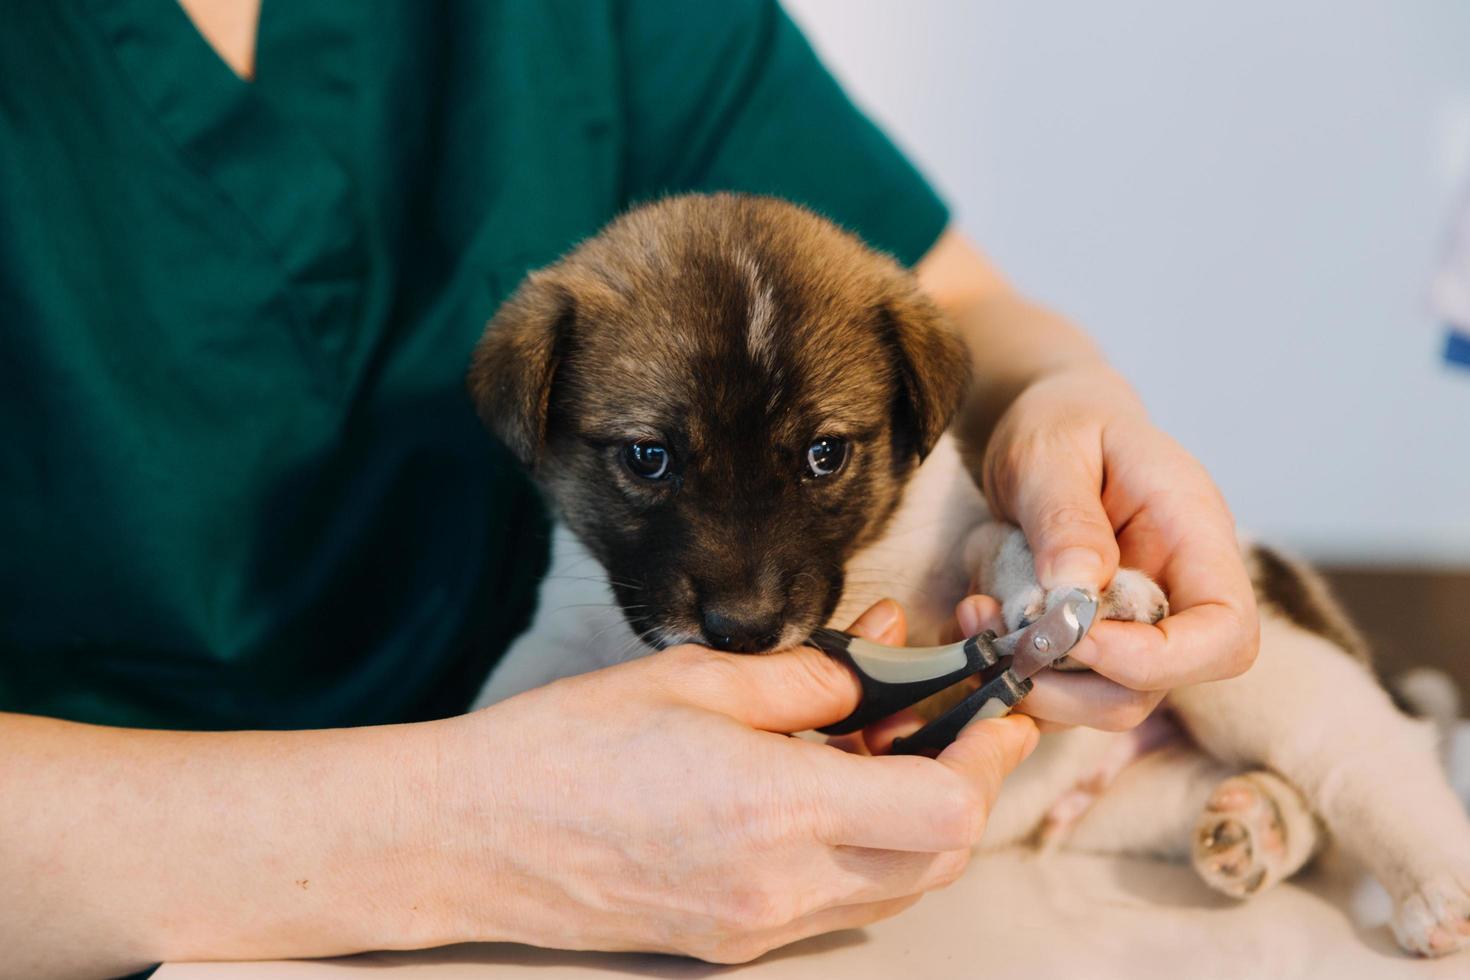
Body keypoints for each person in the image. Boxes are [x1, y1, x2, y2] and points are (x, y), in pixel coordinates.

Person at [0, 2, 1258, 976]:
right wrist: (465, 832)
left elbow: (938, 305)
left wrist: (1066, 402)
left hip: (667, 870)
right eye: (646, 458)